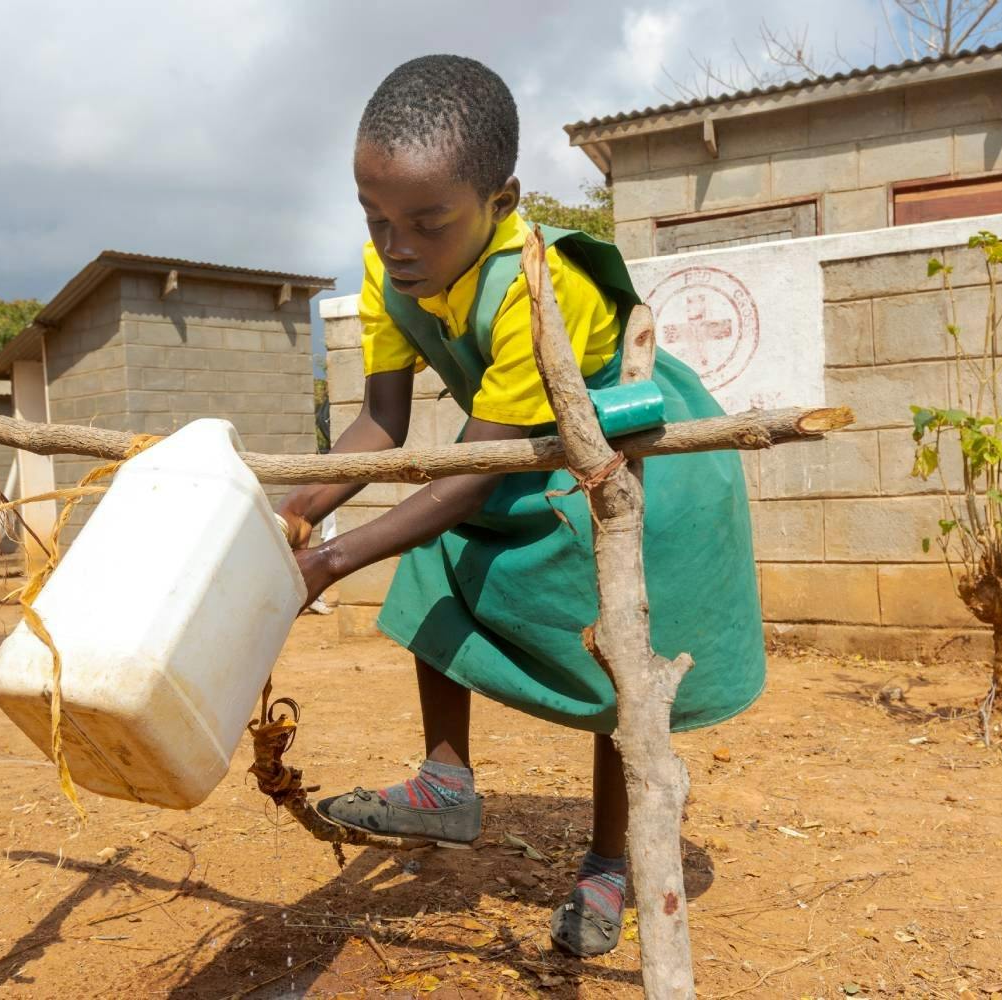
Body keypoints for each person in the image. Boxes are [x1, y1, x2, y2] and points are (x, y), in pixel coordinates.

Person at [277, 55, 765, 957]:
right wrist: (295, 512)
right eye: (375, 219)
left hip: (638, 466)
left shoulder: (543, 282)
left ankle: (610, 864)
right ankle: (445, 783)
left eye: (427, 222)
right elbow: (384, 425)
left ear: (500, 200)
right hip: (523, 454)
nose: (398, 246)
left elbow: (469, 472)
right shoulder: (391, 276)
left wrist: (333, 559)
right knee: (434, 550)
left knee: (619, 650)